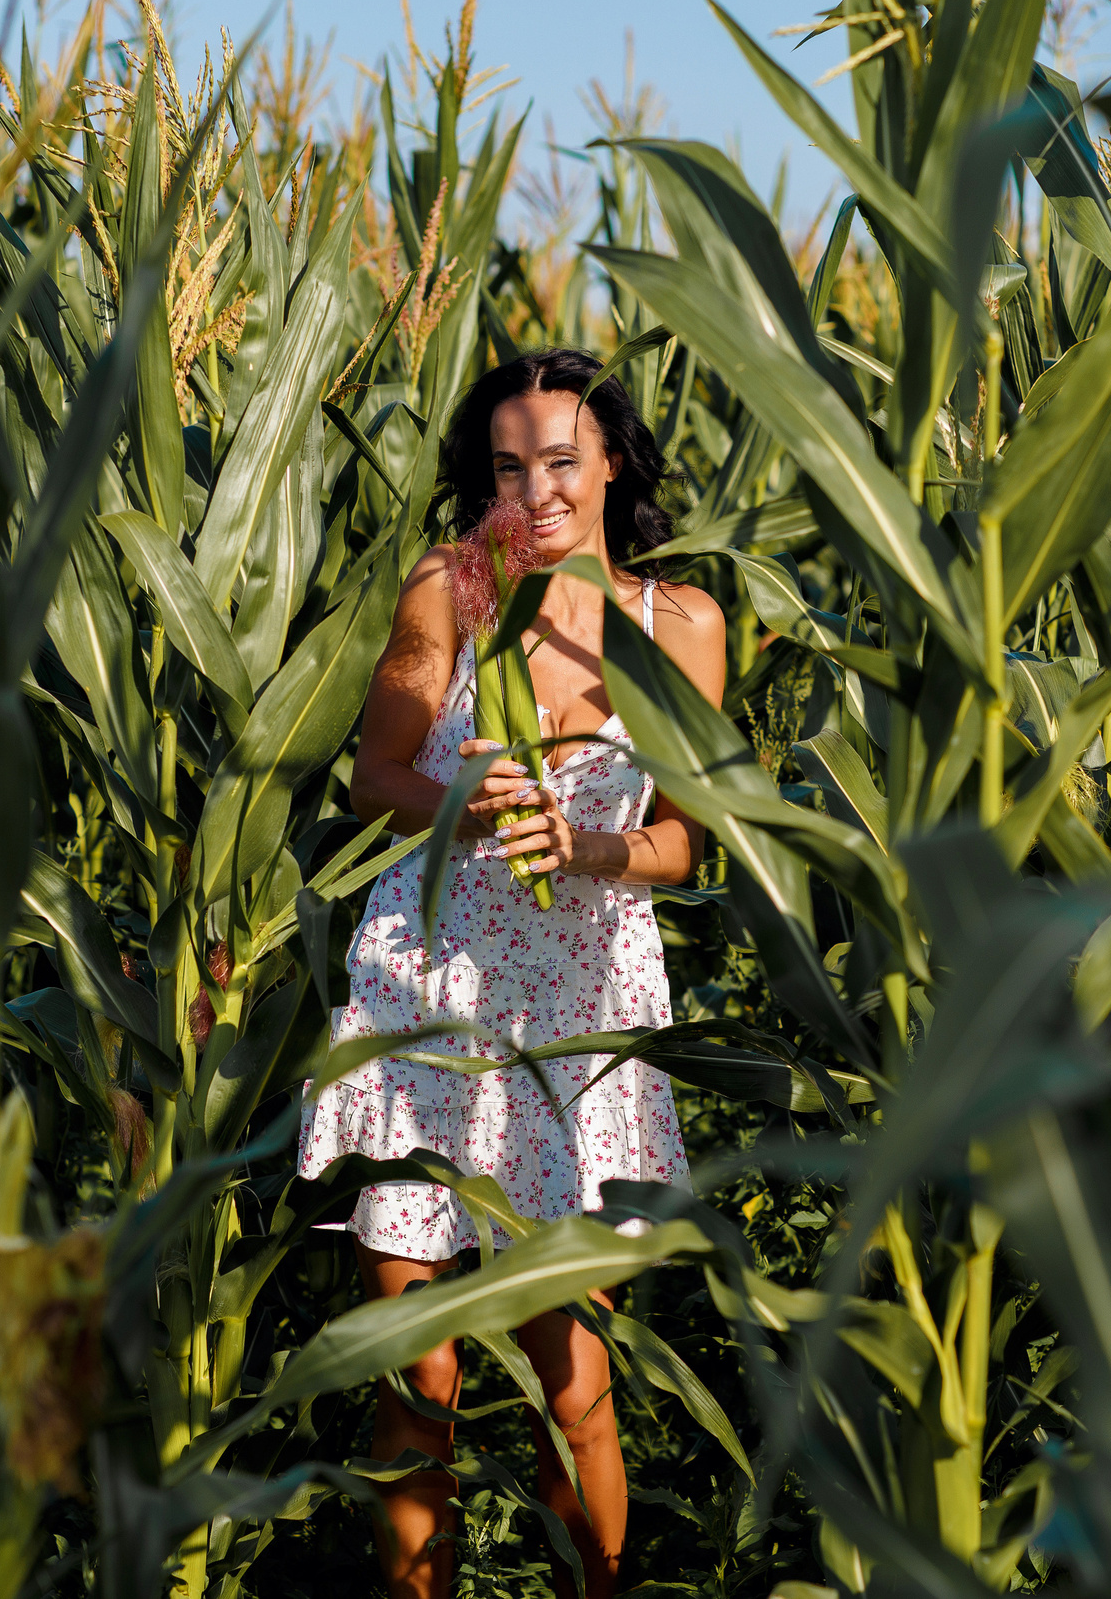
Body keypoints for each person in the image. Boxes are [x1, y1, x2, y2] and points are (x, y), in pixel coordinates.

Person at [295, 348, 725, 1599]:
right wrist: (466, 810)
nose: (533, 489)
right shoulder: (452, 590)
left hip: (579, 1025)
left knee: (576, 1391)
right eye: (504, 465)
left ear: (610, 464)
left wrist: (589, 844)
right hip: (427, 1002)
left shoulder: (679, 624)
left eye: (558, 460)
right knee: (417, 1383)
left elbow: (686, 841)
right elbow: (375, 779)